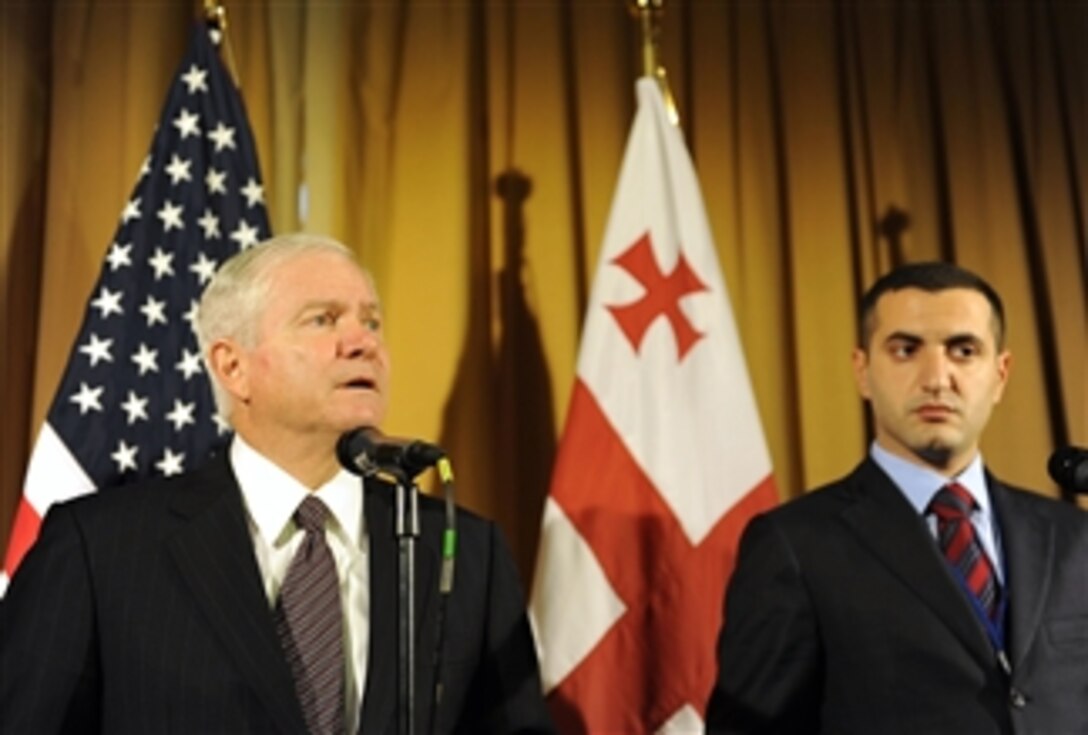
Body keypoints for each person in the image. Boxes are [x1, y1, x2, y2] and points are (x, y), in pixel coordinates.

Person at [0, 233, 555, 734]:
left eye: (371, 321)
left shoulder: (466, 553)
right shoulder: (101, 548)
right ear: (232, 366)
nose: (362, 342)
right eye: (323, 319)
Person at [705, 261, 1088, 733]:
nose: (936, 378)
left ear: (1001, 375)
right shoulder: (795, 546)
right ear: (862, 371)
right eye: (906, 350)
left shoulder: (1073, 537)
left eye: (963, 351)